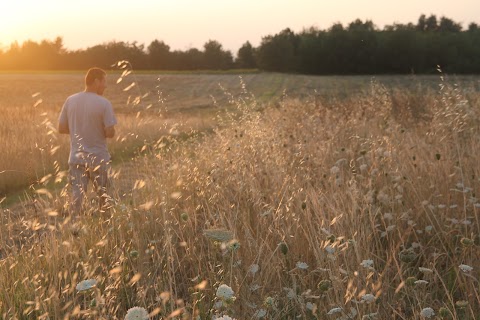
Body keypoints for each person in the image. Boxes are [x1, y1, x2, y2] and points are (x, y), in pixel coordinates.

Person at [58, 67, 117, 216]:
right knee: (104, 197)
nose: (105, 85)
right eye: (104, 82)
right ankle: (107, 229)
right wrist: (103, 130)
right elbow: (110, 133)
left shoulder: (70, 100)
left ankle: (74, 229)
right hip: (98, 158)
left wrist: (80, 131)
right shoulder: (104, 103)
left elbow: (61, 128)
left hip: (76, 158)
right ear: (96, 81)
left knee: (77, 198)